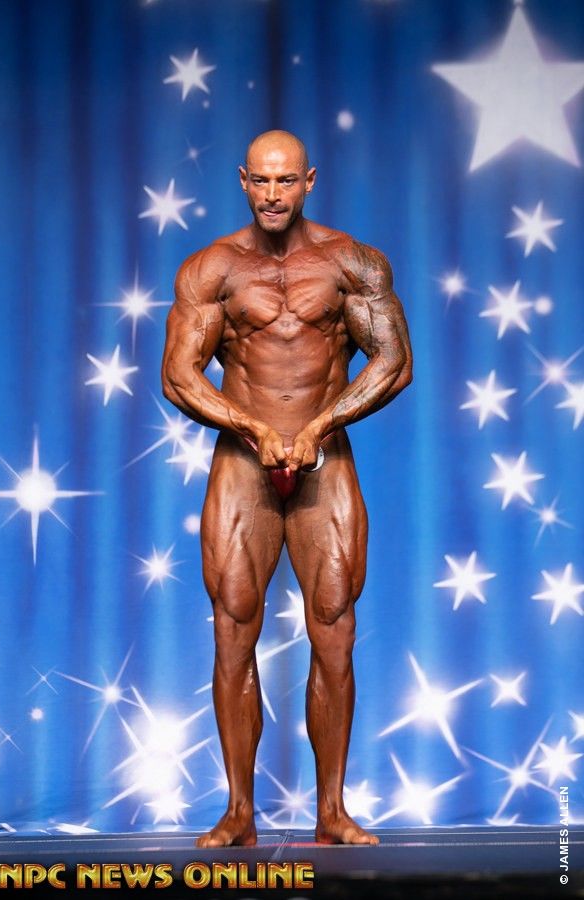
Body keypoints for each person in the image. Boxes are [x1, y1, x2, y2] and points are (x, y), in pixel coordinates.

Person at [161, 130, 413, 847]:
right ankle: (238, 813)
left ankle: (331, 811)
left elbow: (394, 362)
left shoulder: (350, 262)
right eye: (262, 181)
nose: (273, 195)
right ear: (244, 181)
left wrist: (320, 425)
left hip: (323, 459)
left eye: (286, 181)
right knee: (233, 627)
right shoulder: (212, 268)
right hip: (243, 462)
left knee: (334, 628)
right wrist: (250, 426)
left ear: (309, 181)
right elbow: (178, 374)